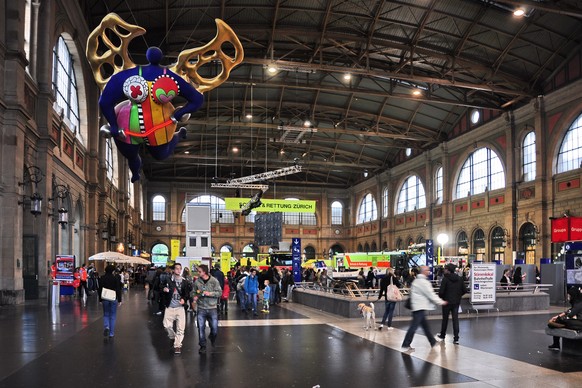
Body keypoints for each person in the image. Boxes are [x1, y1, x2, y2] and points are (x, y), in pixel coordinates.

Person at [401, 266, 447, 351]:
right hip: (419, 307)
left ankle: (432, 342)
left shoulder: (416, 280)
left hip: (417, 306)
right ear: (423, 271)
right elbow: (431, 294)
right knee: (414, 327)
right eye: (427, 270)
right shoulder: (423, 282)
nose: (429, 271)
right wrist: (441, 302)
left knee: (425, 326)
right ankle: (406, 344)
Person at [191, 264, 222, 354]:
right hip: (201, 308)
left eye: (199, 271)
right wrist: (194, 296)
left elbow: (219, 292)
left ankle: (212, 336)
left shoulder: (214, 281)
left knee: (215, 328)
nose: (198, 273)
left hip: (212, 308)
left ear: (204, 272)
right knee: (201, 328)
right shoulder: (197, 282)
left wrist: (210, 293)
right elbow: (193, 292)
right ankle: (202, 346)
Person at [161, 263, 190, 355]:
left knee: (181, 328)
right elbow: (160, 286)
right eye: (177, 268)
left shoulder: (184, 281)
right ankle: (173, 336)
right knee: (166, 326)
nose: (179, 270)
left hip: (180, 308)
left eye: (180, 269)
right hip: (169, 307)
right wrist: (164, 289)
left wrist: (184, 299)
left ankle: (177, 345)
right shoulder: (168, 279)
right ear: (173, 270)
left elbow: (186, 294)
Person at [437, 264, 467, 344]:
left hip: (446, 302)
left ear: (448, 270)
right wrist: (458, 296)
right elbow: (464, 290)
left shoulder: (445, 279)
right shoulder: (460, 279)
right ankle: (456, 338)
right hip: (456, 302)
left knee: (445, 319)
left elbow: (441, 292)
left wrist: (443, 297)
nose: (444, 270)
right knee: (455, 320)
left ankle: (443, 335)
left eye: (445, 269)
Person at [98, 264, 122, 340]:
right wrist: (120, 299)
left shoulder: (102, 278)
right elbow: (118, 289)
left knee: (106, 314)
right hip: (113, 297)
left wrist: (100, 299)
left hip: (105, 297)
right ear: (113, 271)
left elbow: (100, 289)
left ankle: (106, 326)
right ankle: (111, 333)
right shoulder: (115, 278)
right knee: (113, 315)